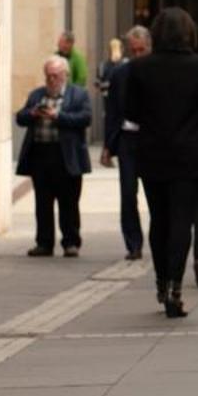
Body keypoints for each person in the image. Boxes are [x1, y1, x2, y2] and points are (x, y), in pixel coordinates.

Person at [122, 7, 198, 317]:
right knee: (182, 221)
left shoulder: (140, 68)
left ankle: (161, 280)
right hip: (189, 154)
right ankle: (176, 287)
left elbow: (131, 111)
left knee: (158, 219)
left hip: (152, 153)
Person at [15, 56, 92, 257]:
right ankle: (44, 243)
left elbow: (85, 118)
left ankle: (71, 242)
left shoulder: (78, 95)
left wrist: (58, 116)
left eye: (55, 76)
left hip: (66, 156)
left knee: (69, 202)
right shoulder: (37, 95)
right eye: (48, 76)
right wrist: (33, 113)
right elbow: (20, 118)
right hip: (41, 155)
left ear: (65, 75)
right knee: (43, 202)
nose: (51, 80)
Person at [102, 25, 150, 260]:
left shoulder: (158, 73)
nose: (138, 55)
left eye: (142, 50)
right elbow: (112, 111)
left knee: (155, 193)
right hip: (127, 140)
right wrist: (108, 146)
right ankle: (133, 243)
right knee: (128, 193)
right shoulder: (120, 75)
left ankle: (159, 239)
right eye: (134, 50)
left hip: (151, 140)